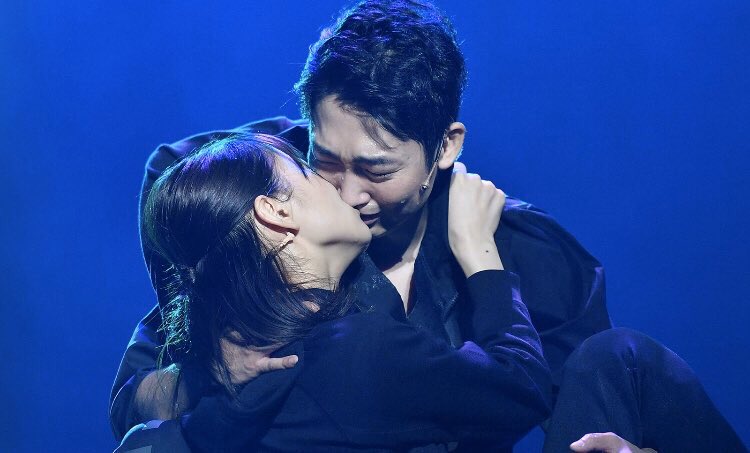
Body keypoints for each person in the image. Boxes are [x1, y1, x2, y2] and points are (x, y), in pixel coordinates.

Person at [111, 1, 747, 451]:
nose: (348, 192)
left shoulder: (528, 254)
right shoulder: (255, 211)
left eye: (377, 169)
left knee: (622, 359)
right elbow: (134, 403)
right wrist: (207, 371)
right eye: (324, 160)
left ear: (446, 147)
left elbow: (574, 408)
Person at [116, 133, 552, 451]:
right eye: (310, 170)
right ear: (275, 212)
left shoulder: (240, 376)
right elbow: (521, 388)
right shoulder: (356, 351)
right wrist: (479, 252)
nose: (342, 188)